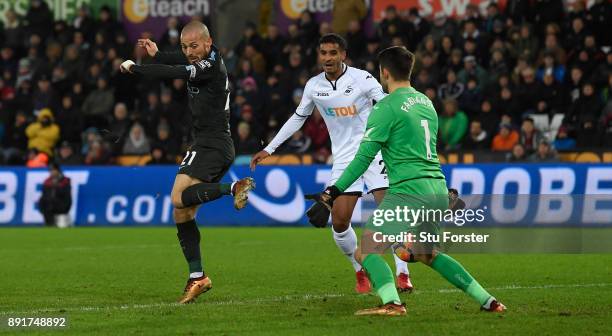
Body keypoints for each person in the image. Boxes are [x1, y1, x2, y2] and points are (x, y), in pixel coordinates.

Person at [306, 46, 505, 315]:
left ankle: (392, 304)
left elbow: (363, 159)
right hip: (436, 187)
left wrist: (332, 192)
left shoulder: (385, 108)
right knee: (427, 253)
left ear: (384, 72)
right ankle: (489, 301)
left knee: (366, 252)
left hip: (408, 191)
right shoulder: (426, 103)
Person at [250, 34, 412, 294]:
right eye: (323, 53)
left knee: (390, 211)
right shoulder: (314, 86)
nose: (328, 58)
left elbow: (387, 102)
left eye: (333, 53)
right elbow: (297, 118)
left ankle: (403, 274)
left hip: (373, 153)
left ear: (343, 55)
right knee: (338, 221)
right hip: (345, 160)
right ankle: (360, 270)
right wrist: (269, 148)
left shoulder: (362, 78)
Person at [120, 21, 255, 304]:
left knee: (178, 198)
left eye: (194, 46)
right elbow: (176, 60)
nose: (189, 52)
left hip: (214, 145)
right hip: (207, 143)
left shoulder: (210, 67)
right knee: (182, 211)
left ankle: (232, 189)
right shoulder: (203, 55)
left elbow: (177, 71)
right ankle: (198, 277)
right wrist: (157, 53)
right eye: (185, 46)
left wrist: (136, 68)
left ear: (208, 43)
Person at [38, 163, 72, 227]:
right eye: (50, 170)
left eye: (53, 170)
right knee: (49, 231)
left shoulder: (65, 182)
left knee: (61, 229)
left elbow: (67, 198)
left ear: (58, 170)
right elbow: (43, 197)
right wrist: (42, 209)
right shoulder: (47, 182)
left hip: (61, 211)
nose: (51, 172)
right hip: (48, 211)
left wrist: (64, 210)